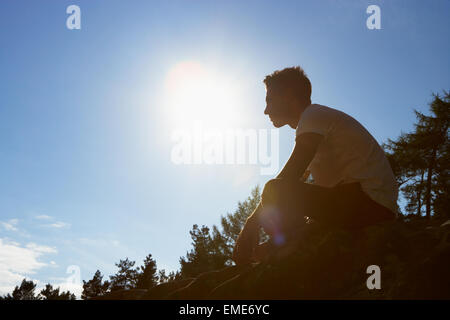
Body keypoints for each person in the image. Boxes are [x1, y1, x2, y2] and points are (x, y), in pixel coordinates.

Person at [232, 66, 398, 265]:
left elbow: (290, 176)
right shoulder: (315, 125)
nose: (266, 109)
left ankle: (288, 249)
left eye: (269, 100)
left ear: (289, 96)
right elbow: (302, 191)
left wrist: (251, 224)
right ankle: (285, 246)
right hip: (364, 203)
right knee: (278, 204)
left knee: (274, 189)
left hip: (367, 202)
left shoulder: (313, 115)